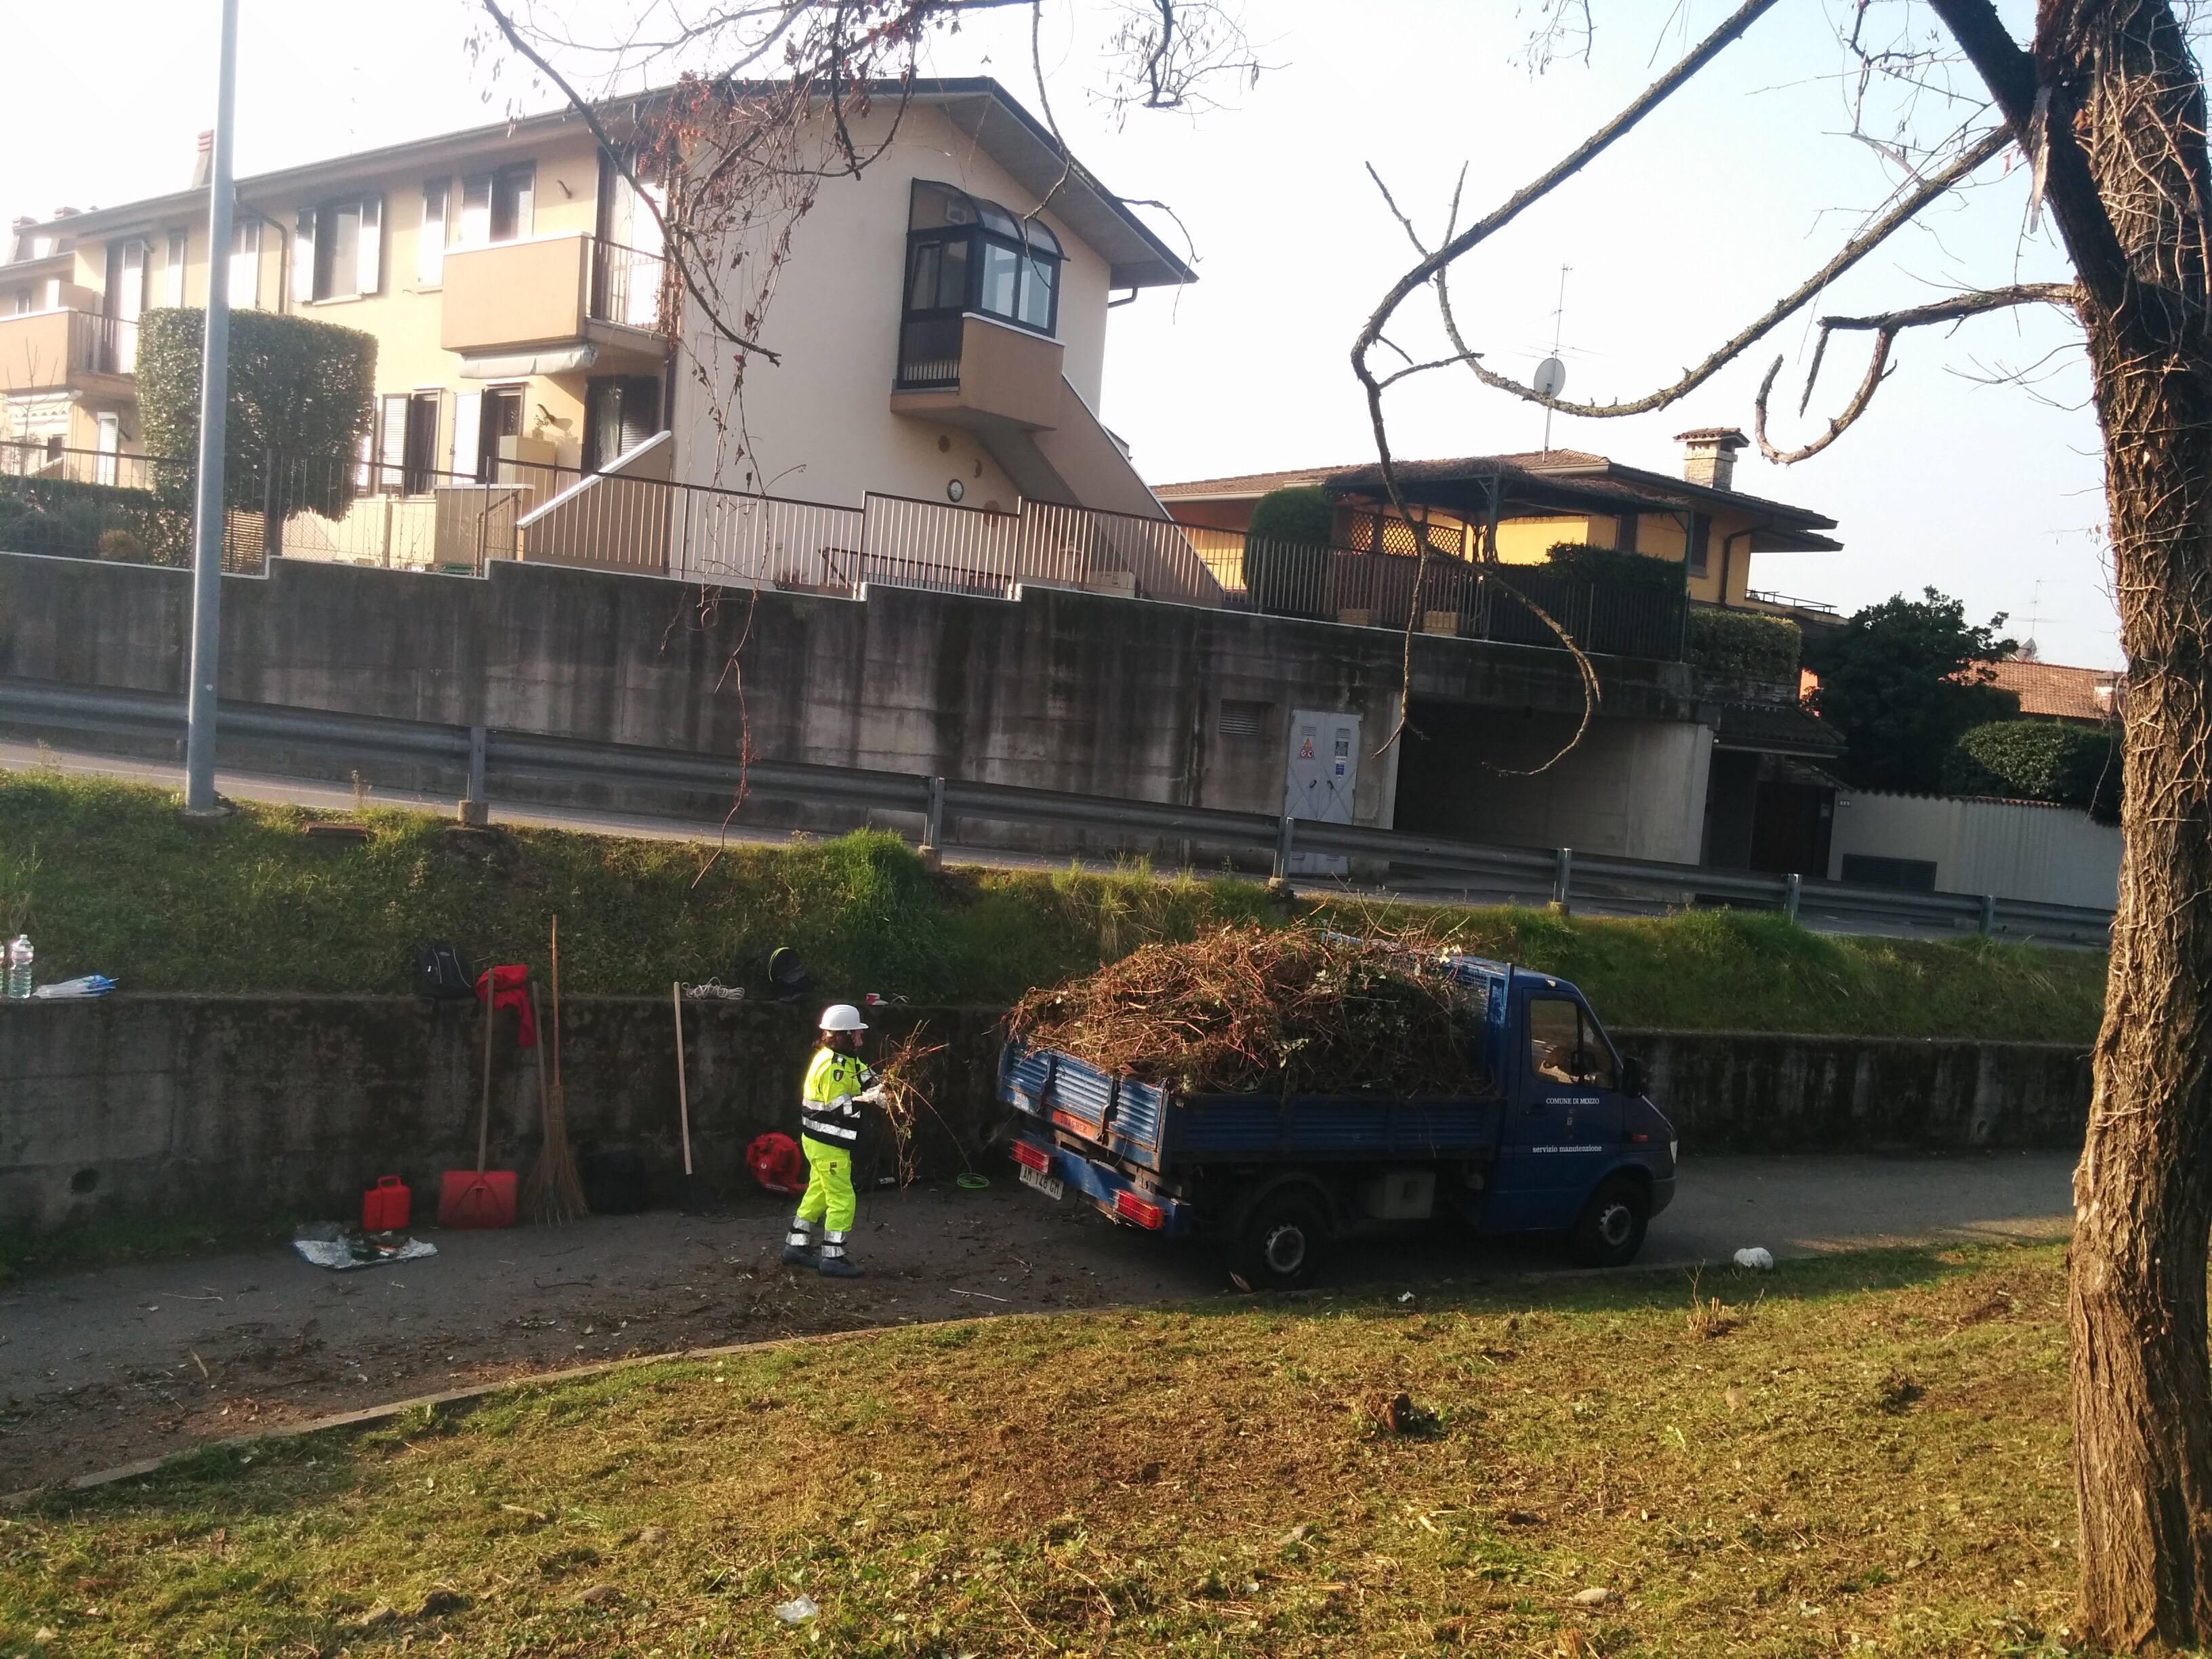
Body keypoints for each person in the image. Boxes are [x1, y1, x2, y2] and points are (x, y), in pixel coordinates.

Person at [783, 1003, 882, 1278]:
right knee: (842, 1198)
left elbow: (867, 1077)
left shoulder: (847, 1059)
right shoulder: (832, 1066)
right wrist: (869, 1100)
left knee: (819, 1192)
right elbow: (840, 1108)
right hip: (829, 1143)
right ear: (844, 1035)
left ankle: (796, 1245)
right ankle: (833, 1256)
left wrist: (884, 1088)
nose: (861, 1036)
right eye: (857, 1032)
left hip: (821, 1141)